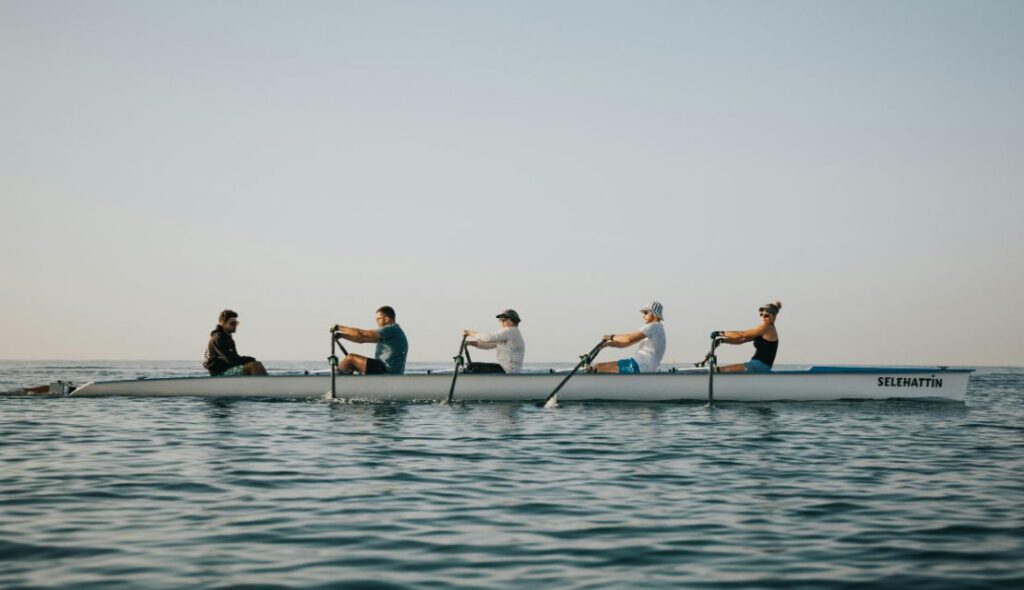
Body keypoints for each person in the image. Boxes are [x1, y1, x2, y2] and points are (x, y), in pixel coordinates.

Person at [591, 301, 667, 373]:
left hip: (638, 366)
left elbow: (628, 339)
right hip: (643, 367)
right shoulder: (658, 329)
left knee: (598, 367)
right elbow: (625, 343)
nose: (643, 316)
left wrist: (611, 337)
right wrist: (608, 344)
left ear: (653, 314)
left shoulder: (653, 326)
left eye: (645, 313)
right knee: (600, 367)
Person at [331, 305, 408, 375]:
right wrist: (342, 335)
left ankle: (336, 379)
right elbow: (362, 339)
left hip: (386, 370)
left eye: (378, 319)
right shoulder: (394, 332)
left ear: (386, 319)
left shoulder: (390, 329)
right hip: (387, 369)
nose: (377, 322)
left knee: (350, 358)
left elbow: (360, 334)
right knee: (351, 363)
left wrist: (339, 327)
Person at [715, 301, 782, 373]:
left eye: (766, 316)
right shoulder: (765, 330)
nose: (763, 317)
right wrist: (722, 340)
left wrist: (721, 333)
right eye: (761, 315)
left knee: (720, 370)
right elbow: (741, 340)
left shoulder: (766, 327)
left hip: (759, 366)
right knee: (720, 370)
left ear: (774, 316)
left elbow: (741, 334)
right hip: (757, 365)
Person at [203, 309, 267, 376]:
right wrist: (249, 359)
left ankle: (262, 381)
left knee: (256, 364)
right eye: (232, 323)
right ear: (222, 323)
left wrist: (249, 360)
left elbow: (235, 358)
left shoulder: (227, 339)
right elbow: (231, 361)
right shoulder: (218, 338)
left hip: (228, 369)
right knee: (254, 366)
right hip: (220, 374)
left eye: (236, 323)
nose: (235, 325)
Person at [463, 309, 526, 374]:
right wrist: (470, 343)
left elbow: (488, 338)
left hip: (507, 370)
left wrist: (470, 333)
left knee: (472, 367)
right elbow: (488, 344)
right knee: (472, 366)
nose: (501, 322)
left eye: (504, 320)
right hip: (509, 370)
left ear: (512, 320)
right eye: (500, 320)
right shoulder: (513, 333)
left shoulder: (510, 331)